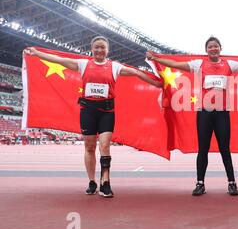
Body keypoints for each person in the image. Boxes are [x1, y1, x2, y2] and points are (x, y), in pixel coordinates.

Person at [24, 36, 162, 198]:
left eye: (102, 47)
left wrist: (156, 83)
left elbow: (136, 72)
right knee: (89, 147)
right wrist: (37, 53)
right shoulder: (83, 64)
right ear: (92, 49)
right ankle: (92, 181)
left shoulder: (114, 67)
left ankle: (106, 182)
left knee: (105, 146)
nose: (99, 50)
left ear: (107, 50)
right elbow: (59, 60)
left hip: (106, 112)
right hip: (88, 111)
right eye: (96, 47)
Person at [147, 36, 238, 196]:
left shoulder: (229, 65)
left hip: (222, 113)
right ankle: (200, 184)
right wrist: (156, 58)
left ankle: (232, 183)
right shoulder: (199, 64)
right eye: (210, 47)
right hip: (204, 112)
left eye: (216, 46)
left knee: (225, 149)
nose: (213, 49)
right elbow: (176, 64)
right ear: (206, 50)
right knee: (203, 149)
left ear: (220, 48)